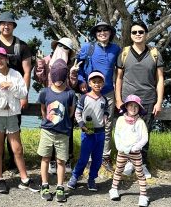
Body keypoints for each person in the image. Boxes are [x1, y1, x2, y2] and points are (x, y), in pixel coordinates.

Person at [0, 47, 40, 194]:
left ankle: (24, 179)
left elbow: (23, 93)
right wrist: (4, 103)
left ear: (6, 59)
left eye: (1, 58)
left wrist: (11, 85)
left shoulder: (15, 74)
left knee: (18, 149)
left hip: (12, 117)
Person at [114, 21, 164, 179]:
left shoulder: (154, 53)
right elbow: (119, 78)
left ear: (146, 34)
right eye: (134, 32)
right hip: (127, 101)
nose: (137, 34)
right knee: (127, 132)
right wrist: (117, 99)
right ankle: (129, 162)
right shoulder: (125, 53)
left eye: (141, 31)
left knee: (144, 133)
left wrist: (159, 102)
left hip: (148, 100)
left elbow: (160, 79)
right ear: (130, 35)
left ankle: (141, 164)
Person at [0, 12, 32, 171]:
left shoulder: (22, 46)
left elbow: (27, 71)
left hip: (15, 93)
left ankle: (14, 164)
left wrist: (24, 95)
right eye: (3, 23)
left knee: (14, 131)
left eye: (9, 23)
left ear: (13, 26)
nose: (6, 26)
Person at [76, 21, 121, 171]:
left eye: (105, 30)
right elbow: (78, 67)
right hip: (91, 92)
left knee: (106, 126)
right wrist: (81, 81)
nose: (102, 33)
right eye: (99, 30)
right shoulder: (88, 48)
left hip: (107, 92)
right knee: (89, 124)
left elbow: (120, 70)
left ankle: (105, 157)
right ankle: (88, 157)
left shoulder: (116, 49)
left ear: (110, 33)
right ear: (95, 34)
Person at [34, 37, 78, 174]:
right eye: (60, 45)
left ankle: (67, 159)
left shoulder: (71, 64)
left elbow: (73, 86)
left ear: (70, 51)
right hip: (50, 100)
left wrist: (73, 74)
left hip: (66, 100)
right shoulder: (47, 60)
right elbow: (39, 78)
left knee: (67, 132)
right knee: (49, 132)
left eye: (66, 47)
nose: (62, 49)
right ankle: (51, 160)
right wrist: (40, 63)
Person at [37, 60, 76, 203]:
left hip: (63, 133)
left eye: (61, 78)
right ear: (51, 77)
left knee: (61, 160)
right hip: (47, 131)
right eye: (55, 78)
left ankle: (60, 186)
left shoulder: (70, 94)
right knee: (45, 158)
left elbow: (71, 112)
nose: (58, 81)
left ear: (65, 76)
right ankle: (45, 185)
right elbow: (43, 109)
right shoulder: (44, 92)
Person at [68, 71, 109, 191]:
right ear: (89, 83)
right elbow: (77, 113)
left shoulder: (104, 99)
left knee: (97, 159)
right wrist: (81, 124)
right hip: (87, 132)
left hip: (100, 133)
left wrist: (105, 117)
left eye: (99, 82)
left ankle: (92, 179)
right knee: (84, 158)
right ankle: (75, 176)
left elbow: (106, 111)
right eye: (94, 82)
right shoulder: (84, 98)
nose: (97, 84)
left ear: (103, 84)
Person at [109, 94, 150, 207]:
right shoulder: (121, 120)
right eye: (131, 105)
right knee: (118, 170)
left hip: (135, 152)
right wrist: (119, 146)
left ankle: (143, 195)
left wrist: (136, 147)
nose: (133, 108)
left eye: (136, 106)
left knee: (140, 173)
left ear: (139, 108)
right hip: (122, 150)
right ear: (126, 106)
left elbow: (144, 138)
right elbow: (116, 134)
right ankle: (113, 189)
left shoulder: (140, 122)